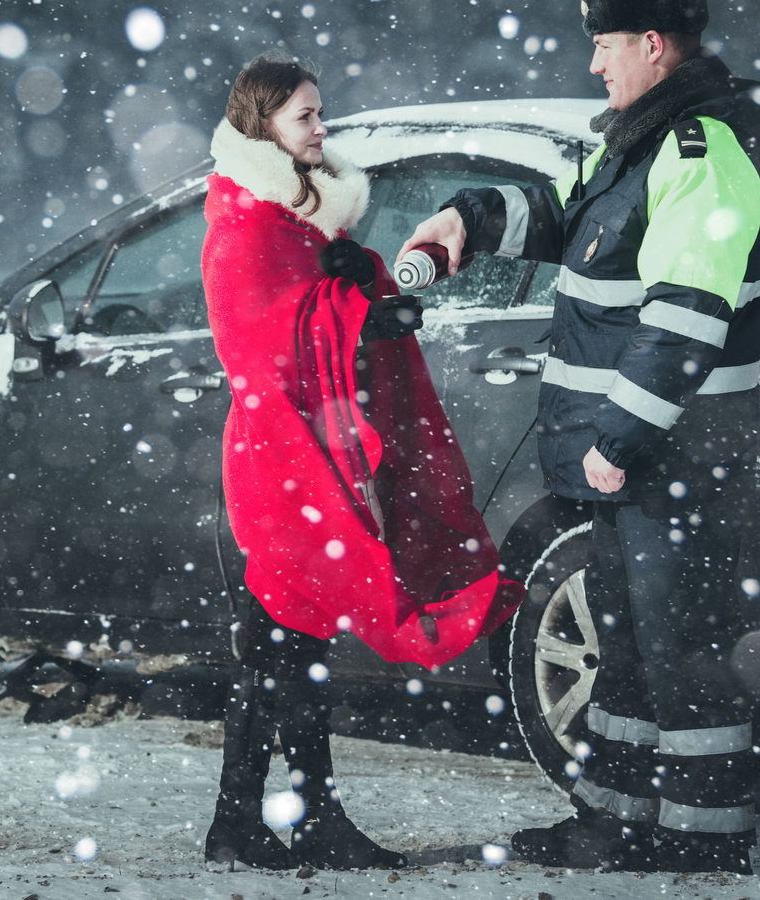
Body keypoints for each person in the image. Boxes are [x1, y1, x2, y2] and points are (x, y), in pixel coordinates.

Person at [398, 0, 760, 875]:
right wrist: (466, 217)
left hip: (671, 452)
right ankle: (614, 821)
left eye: (606, 45)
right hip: (629, 458)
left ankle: (701, 843)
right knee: (625, 645)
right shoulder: (636, 146)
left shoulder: (702, 154)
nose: (593, 64)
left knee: (680, 647)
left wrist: (623, 437)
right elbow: (567, 220)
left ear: (653, 46)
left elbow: (687, 318)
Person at [200, 54, 524, 871]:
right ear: (263, 124)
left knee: (290, 639)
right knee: (282, 637)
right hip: (279, 461)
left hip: (311, 455)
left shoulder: (299, 218)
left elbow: (316, 308)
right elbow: (259, 341)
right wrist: (355, 313)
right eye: (305, 116)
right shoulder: (244, 223)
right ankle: (278, 818)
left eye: (319, 113)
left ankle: (269, 818)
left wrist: (361, 281)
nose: (321, 129)